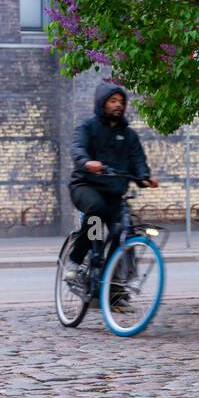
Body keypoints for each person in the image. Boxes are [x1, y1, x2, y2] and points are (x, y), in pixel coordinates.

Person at [66, 82, 158, 279]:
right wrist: (86, 162)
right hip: (85, 185)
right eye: (113, 101)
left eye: (121, 102)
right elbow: (77, 148)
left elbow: (138, 161)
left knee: (123, 230)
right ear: (102, 103)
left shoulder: (129, 135)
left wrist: (145, 178)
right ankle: (75, 259)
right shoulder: (87, 127)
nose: (118, 105)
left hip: (114, 192)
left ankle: (110, 285)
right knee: (97, 214)